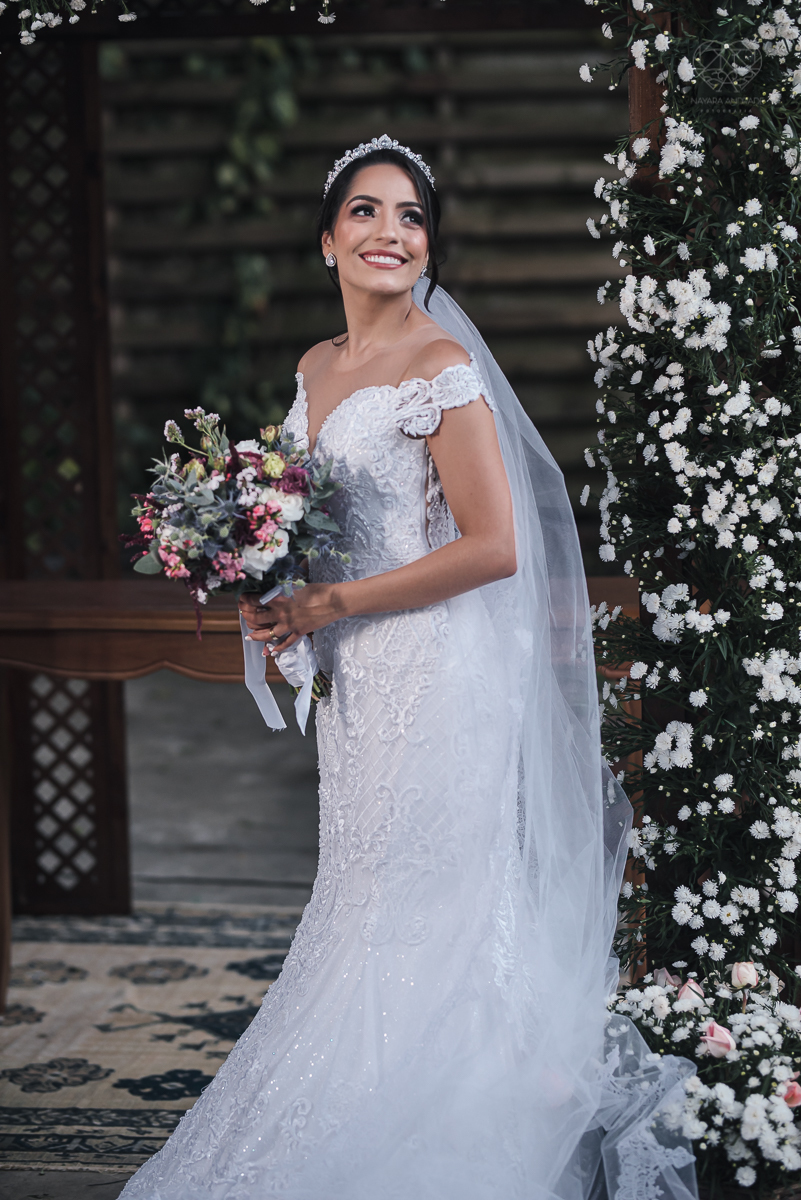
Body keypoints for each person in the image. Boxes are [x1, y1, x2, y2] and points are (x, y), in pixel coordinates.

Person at [121, 136, 697, 1200]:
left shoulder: (443, 368)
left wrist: (329, 599)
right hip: (358, 676)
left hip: (436, 673)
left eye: (412, 217)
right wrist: (264, 568)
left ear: (428, 247)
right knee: (363, 888)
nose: (391, 232)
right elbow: (314, 517)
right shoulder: (314, 366)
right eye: (367, 212)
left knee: (434, 900)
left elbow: (493, 547)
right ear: (327, 240)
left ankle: (456, 1105)